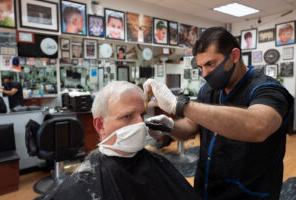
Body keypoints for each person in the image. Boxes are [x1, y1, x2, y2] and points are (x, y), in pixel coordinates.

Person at [144, 27, 294, 199]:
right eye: (201, 66)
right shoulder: (208, 90)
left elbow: (258, 126)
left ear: (234, 56)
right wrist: (169, 126)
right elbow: (191, 127)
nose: (205, 73)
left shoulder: (267, 90)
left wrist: (179, 106)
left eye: (210, 64)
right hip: (208, 187)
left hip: (247, 193)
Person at [43, 81, 201, 200]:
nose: (140, 123)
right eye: (127, 116)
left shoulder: (157, 163)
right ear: (100, 125)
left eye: (142, 114)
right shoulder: (79, 186)